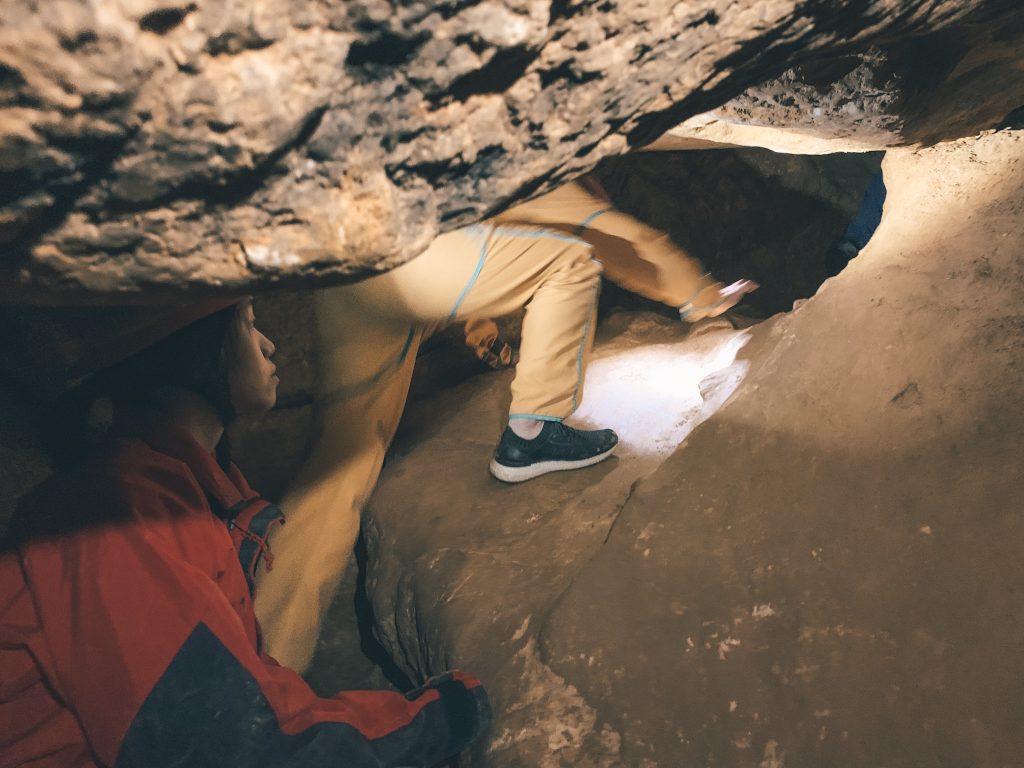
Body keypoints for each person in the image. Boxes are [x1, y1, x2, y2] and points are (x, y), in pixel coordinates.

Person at [255, 177, 757, 672]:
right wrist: (701, 293)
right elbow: (624, 239)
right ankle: (534, 434)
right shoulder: (552, 170)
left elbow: (474, 263)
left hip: (349, 277)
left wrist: (487, 343)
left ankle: (261, 656)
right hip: (415, 267)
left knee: (340, 465)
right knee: (571, 259)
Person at [0, 299, 490, 768]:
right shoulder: (112, 515)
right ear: (196, 350)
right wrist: (442, 715)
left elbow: (249, 695)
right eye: (248, 322)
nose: (269, 345)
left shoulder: (180, 495)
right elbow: (222, 745)